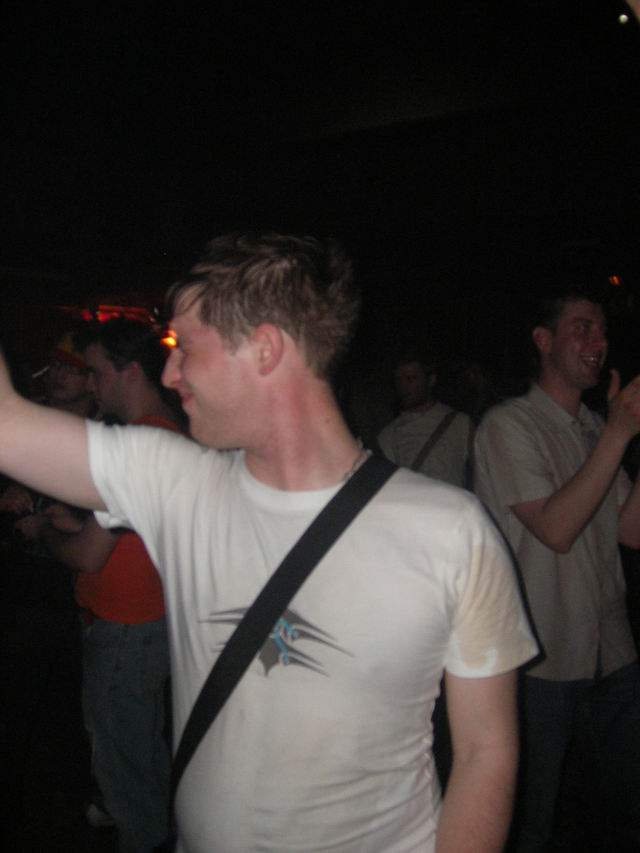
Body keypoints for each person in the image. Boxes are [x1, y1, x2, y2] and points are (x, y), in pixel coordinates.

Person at [0, 232, 537, 853]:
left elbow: (485, 752)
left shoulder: (452, 530)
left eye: (184, 347)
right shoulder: (175, 482)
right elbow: (9, 428)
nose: (169, 373)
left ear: (264, 349)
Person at [474, 290, 640, 852]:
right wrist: (618, 434)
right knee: (534, 821)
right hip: (544, 660)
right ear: (544, 341)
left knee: (626, 810)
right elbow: (556, 528)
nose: (599, 342)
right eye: (583, 328)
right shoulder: (507, 426)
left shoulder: (593, 427)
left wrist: (623, 436)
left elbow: (630, 530)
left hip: (613, 652)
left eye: (603, 330)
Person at [22, 319, 182, 853]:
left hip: (123, 629)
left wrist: (45, 532)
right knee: (144, 756)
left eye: (95, 372)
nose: (90, 384)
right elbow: (125, 533)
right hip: (150, 621)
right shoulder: (168, 433)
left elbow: (89, 557)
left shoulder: (138, 444)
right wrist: (80, 522)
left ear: (129, 371)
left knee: (125, 773)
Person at [377, 353, 474, 488]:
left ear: (431, 380)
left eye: (410, 379)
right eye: (399, 380)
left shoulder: (460, 423)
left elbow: (480, 473)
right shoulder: (389, 434)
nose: (403, 386)